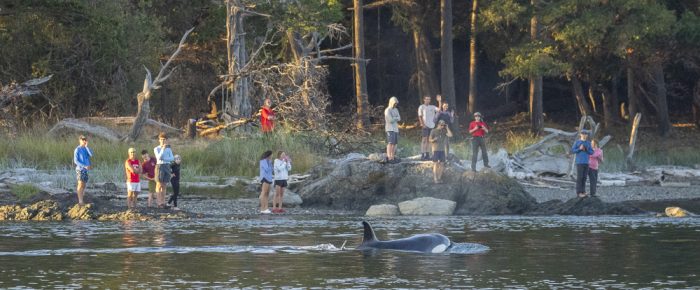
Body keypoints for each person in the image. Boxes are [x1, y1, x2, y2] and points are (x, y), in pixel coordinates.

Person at [154, 132, 174, 208]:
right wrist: (162, 149)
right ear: (159, 140)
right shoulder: (156, 148)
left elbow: (172, 158)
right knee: (159, 184)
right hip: (160, 166)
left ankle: (163, 202)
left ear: (166, 140)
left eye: (164, 139)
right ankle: (159, 203)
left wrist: (164, 158)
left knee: (164, 184)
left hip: (167, 166)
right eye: (161, 139)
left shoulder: (168, 149)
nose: (163, 141)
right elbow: (158, 157)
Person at [572, 130, 594, 198]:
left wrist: (586, 150)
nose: (584, 135)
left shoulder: (588, 143)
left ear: (587, 135)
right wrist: (580, 149)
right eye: (583, 134)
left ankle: (583, 191)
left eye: (586, 134)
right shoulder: (577, 142)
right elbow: (573, 150)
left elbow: (592, 152)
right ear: (580, 134)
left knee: (584, 177)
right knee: (580, 177)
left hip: (586, 162)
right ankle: (579, 192)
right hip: (579, 162)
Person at [73, 135, 93, 206]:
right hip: (80, 169)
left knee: (83, 185)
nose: (84, 141)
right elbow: (75, 161)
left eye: (85, 139)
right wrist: (84, 166)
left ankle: (82, 199)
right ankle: (80, 201)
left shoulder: (86, 148)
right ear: (80, 140)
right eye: (83, 139)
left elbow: (91, 154)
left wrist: (87, 146)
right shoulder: (77, 149)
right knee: (80, 183)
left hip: (86, 170)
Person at [418, 96, 439, 160]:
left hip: (431, 126)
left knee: (429, 140)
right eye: (426, 99)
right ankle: (422, 155)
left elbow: (439, 110)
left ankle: (427, 155)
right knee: (424, 140)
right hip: (425, 126)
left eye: (429, 99)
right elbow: (420, 116)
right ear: (424, 100)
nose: (428, 100)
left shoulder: (432, 107)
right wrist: (422, 124)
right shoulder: (421, 107)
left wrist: (439, 101)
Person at [384, 96, 401, 163]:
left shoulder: (396, 110)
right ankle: (389, 157)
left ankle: (393, 157)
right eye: (394, 103)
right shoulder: (387, 110)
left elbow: (399, 118)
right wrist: (395, 117)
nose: (395, 104)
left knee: (394, 144)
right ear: (391, 103)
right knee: (390, 143)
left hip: (395, 129)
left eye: (396, 103)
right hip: (389, 129)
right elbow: (390, 120)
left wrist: (395, 118)